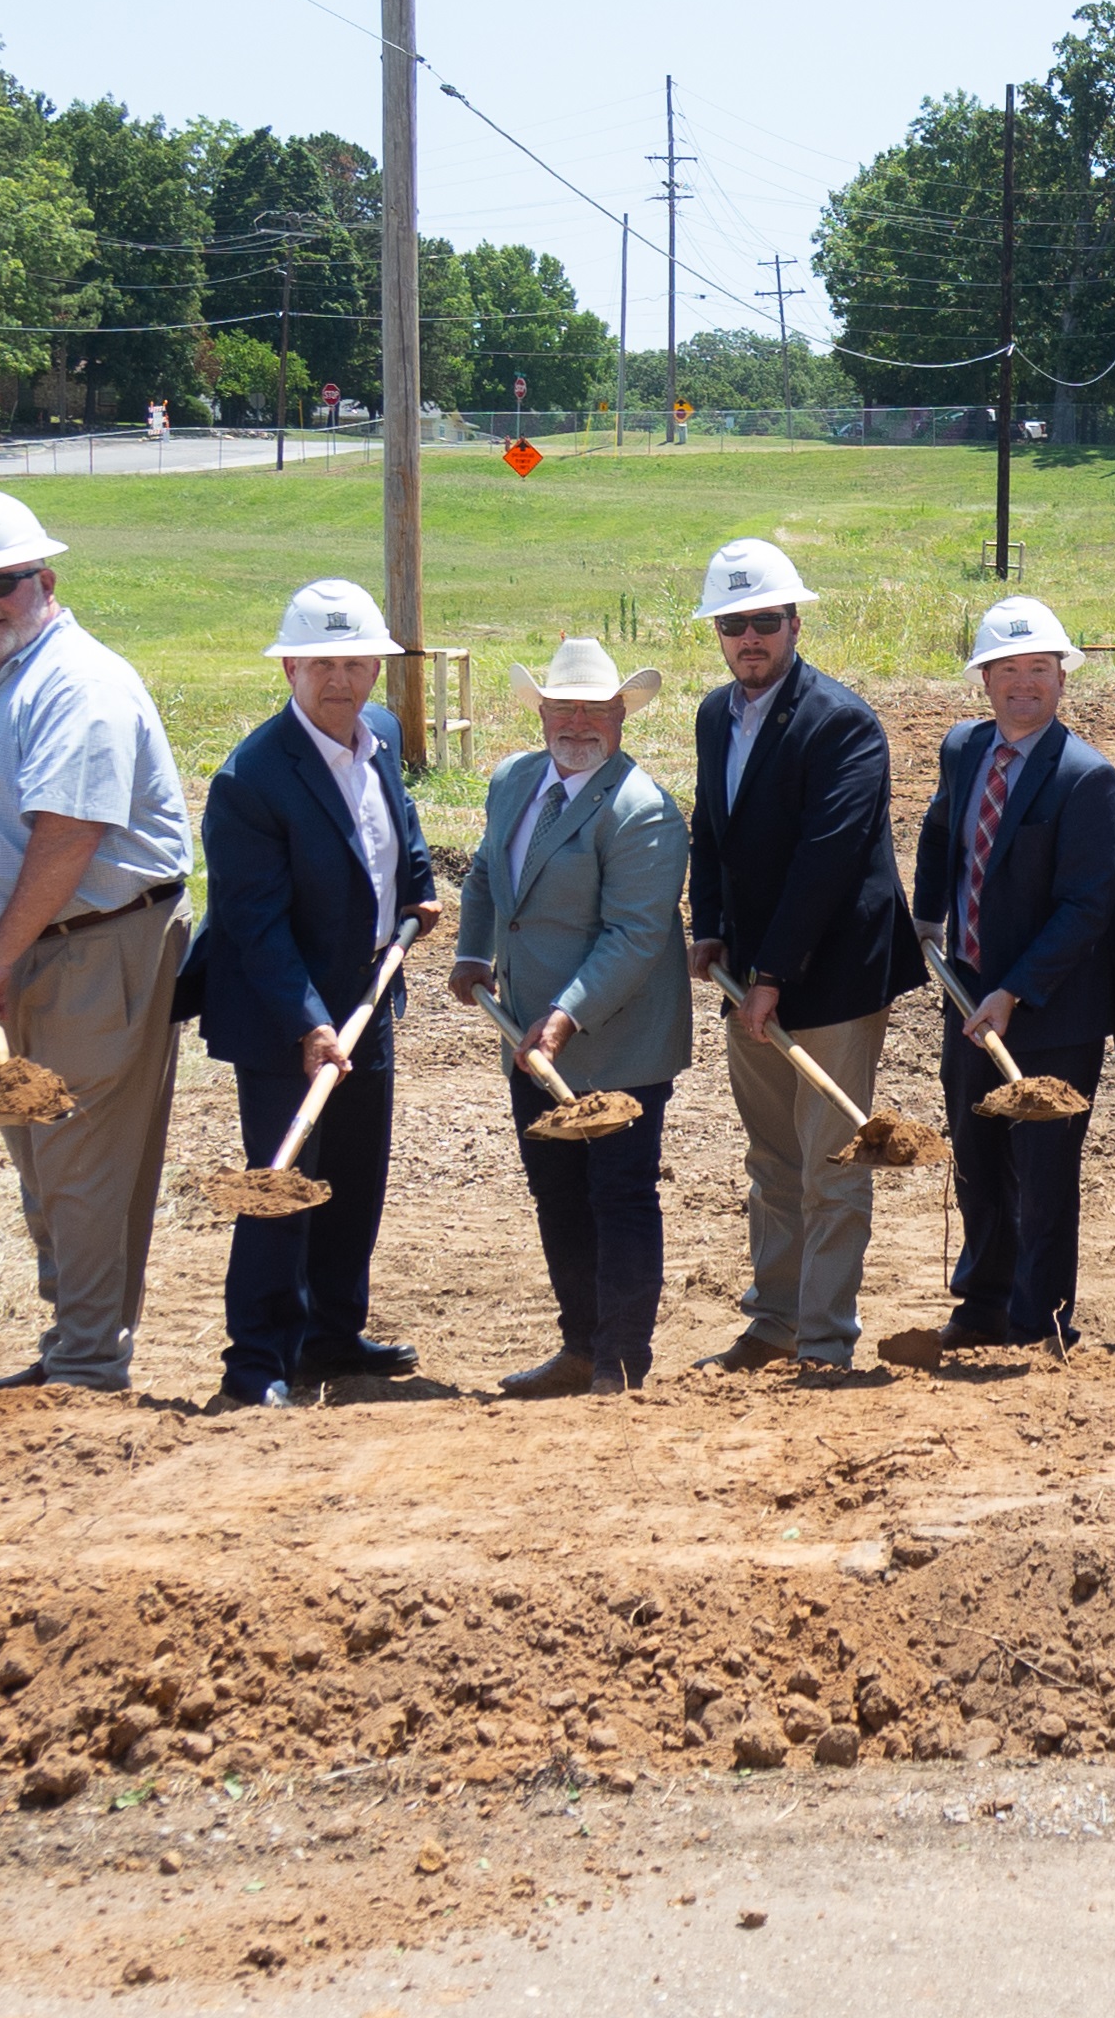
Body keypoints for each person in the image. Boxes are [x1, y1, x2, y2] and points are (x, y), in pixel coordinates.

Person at [0, 489, 195, 1393]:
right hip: (21, 958)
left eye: (0, 582)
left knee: (80, 1166)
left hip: (93, 951)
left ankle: (87, 1363)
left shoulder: (78, 680)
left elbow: (69, 833)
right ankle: (75, 1345)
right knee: (44, 1165)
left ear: (46, 578)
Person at [682, 536, 929, 1374]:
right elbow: (709, 832)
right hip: (750, 974)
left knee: (831, 1162)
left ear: (793, 622)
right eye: (732, 623)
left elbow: (827, 857)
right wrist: (708, 925)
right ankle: (773, 1322)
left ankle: (825, 1341)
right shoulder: (716, 714)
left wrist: (773, 975)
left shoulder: (843, 723)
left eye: (764, 621)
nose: (748, 637)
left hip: (831, 980)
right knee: (770, 1160)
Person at [198, 582, 442, 1406]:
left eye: (356, 661)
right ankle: (257, 1364)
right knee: (283, 1184)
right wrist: (308, 1023)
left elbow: (397, 826)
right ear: (290, 665)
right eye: (323, 662)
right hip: (281, 1011)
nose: (342, 679)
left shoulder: (377, 731)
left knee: (354, 1179)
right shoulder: (251, 779)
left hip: (368, 988)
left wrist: (418, 887)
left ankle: (330, 1336)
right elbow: (253, 924)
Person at [450, 638, 692, 1396]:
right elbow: (488, 873)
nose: (578, 721)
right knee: (555, 1191)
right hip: (526, 1031)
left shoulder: (641, 811)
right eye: (564, 707)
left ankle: (621, 1358)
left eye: (595, 708)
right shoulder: (513, 780)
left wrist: (564, 1015)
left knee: (617, 1193)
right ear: (542, 711)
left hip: (616, 1040)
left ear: (622, 714)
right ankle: (579, 1345)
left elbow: (634, 935)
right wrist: (470, 951)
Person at [911, 594, 1115, 1355]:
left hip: (1049, 1013)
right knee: (977, 1157)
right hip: (968, 995)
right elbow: (941, 833)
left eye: (1040, 669)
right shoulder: (963, 749)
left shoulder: (1087, 779)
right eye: (1007, 670)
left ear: (1062, 679)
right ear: (984, 679)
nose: (1023, 684)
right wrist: (926, 917)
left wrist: (1015, 989)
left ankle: (1040, 1321)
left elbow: (1087, 907)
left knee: (1043, 1174)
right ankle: (984, 1305)